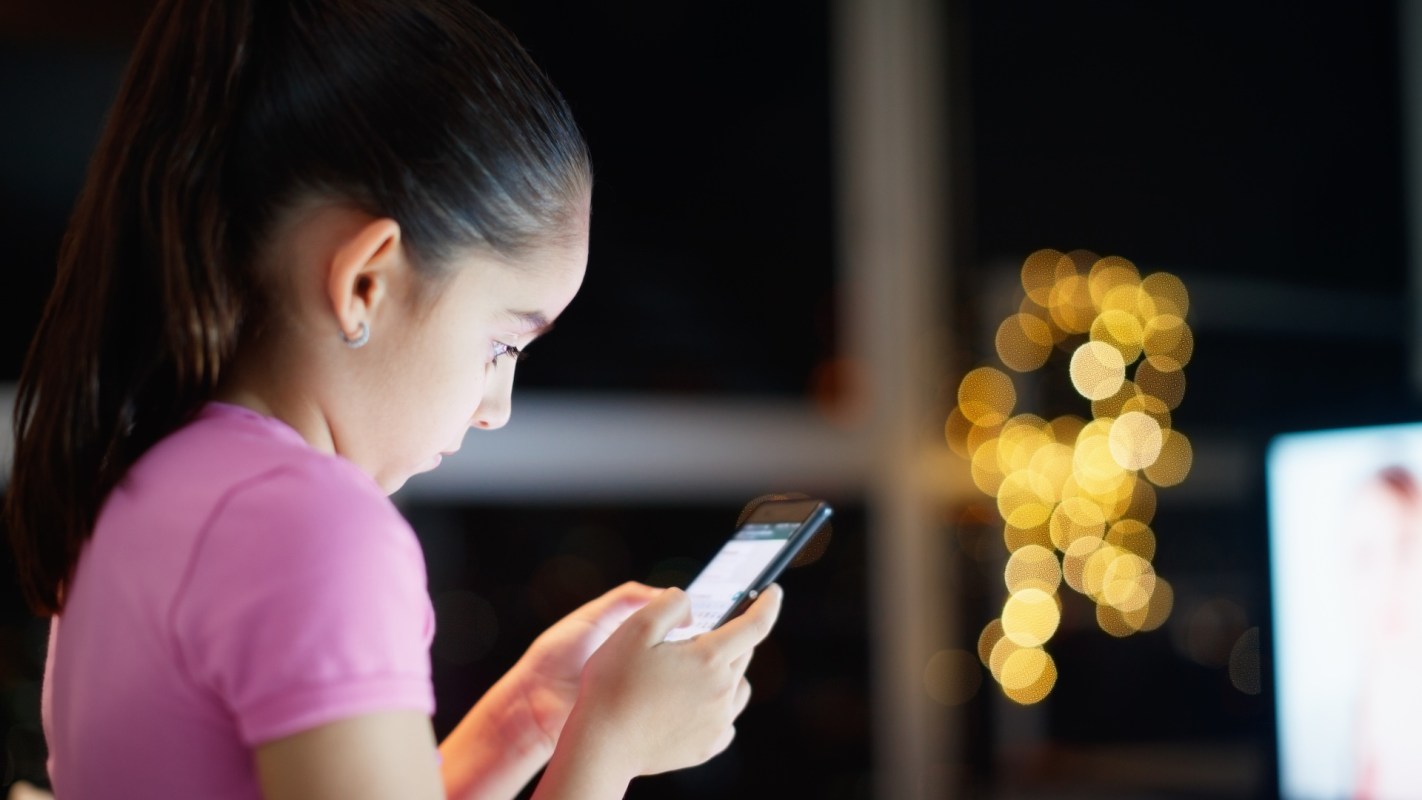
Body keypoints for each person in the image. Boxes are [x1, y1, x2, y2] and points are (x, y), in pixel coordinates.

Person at [3, 1, 782, 798]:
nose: (496, 407)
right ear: (365, 281)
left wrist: (523, 720)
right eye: (501, 345)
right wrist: (609, 749)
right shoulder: (315, 525)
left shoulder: (144, 484)